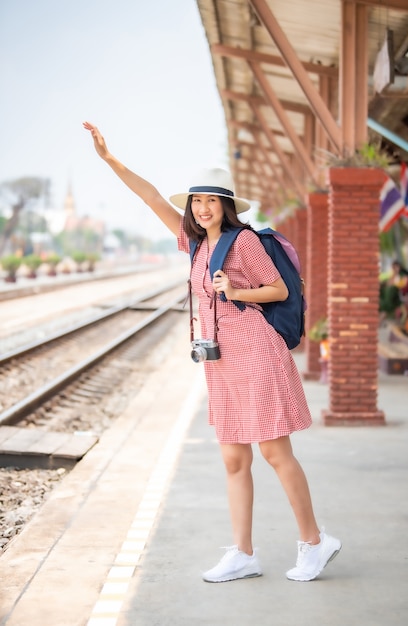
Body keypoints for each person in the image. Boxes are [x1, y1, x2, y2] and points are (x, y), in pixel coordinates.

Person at [83, 121, 341, 583]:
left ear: (226, 204)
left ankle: (315, 543)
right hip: (222, 362)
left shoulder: (241, 241)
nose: (202, 208)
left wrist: (238, 293)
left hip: (257, 353)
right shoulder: (195, 244)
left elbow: (279, 289)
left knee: (275, 453)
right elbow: (152, 197)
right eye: (196, 201)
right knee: (233, 459)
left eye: (210, 200)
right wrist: (109, 159)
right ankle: (243, 553)